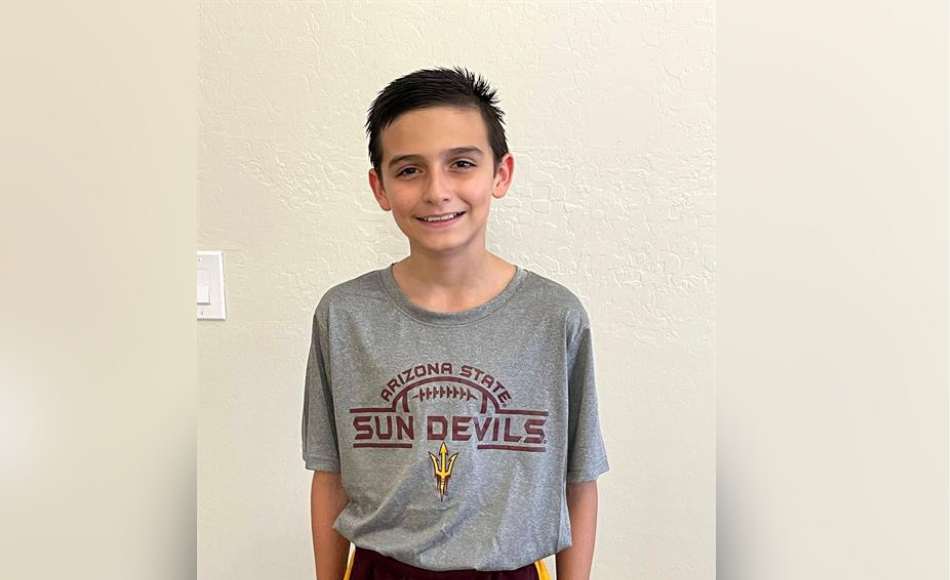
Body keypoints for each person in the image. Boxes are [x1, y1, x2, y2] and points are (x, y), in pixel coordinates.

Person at [302, 66, 609, 580]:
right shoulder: (344, 316)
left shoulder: (554, 317)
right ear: (380, 187)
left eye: (461, 163)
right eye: (409, 170)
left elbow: (578, 479)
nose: (437, 190)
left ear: (501, 174)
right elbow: (329, 474)